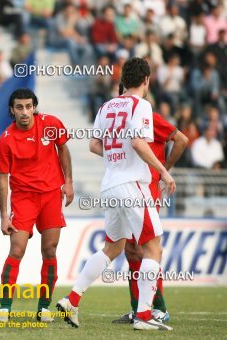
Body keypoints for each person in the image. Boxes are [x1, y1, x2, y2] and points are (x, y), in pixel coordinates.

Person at [56, 57, 176, 331]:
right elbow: (137, 142)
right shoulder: (141, 105)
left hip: (110, 184)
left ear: (124, 80)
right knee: (153, 246)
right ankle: (144, 315)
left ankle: (71, 299)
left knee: (112, 248)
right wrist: (163, 171)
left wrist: (116, 156)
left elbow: (94, 145)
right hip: (133, 184)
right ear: (146, 80)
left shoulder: (106, 106)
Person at [0, 88, 73, 322]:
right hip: (24, 198)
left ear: (35, 107)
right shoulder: (6, 138)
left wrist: (68, 182)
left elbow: (63, 148)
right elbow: (2, 178)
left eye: (29, 106)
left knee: (50, 249)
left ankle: (43, 308)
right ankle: (5, 308)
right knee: (16, 250)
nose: (25, 112)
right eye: (19, 107)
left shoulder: (51, 123)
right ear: (12, 110)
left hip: (50, 196)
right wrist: (5, 215)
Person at [112, 85, 188, 325]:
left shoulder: (149, 117)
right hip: (129, 187)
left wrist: (163, 171)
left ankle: (159, 308)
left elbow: (181, 140)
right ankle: (138, 309)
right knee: (132, 250)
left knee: (147, 248)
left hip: (144, 189)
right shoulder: (122, 120)